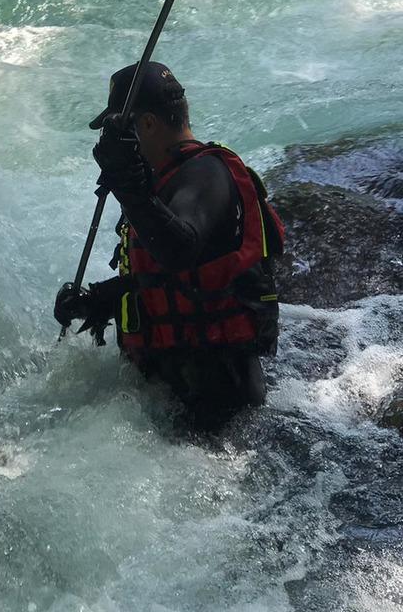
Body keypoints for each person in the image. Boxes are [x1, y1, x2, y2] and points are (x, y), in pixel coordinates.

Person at [54, 61, 284, 428]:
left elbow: (180, 249)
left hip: (220, 409)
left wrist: (128, 184)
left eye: (120, 130)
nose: (112, 143)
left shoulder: (206, 174)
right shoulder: (162, 182)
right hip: (172, 398)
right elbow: (174, 280)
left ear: (147, 125)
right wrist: (98, 301)